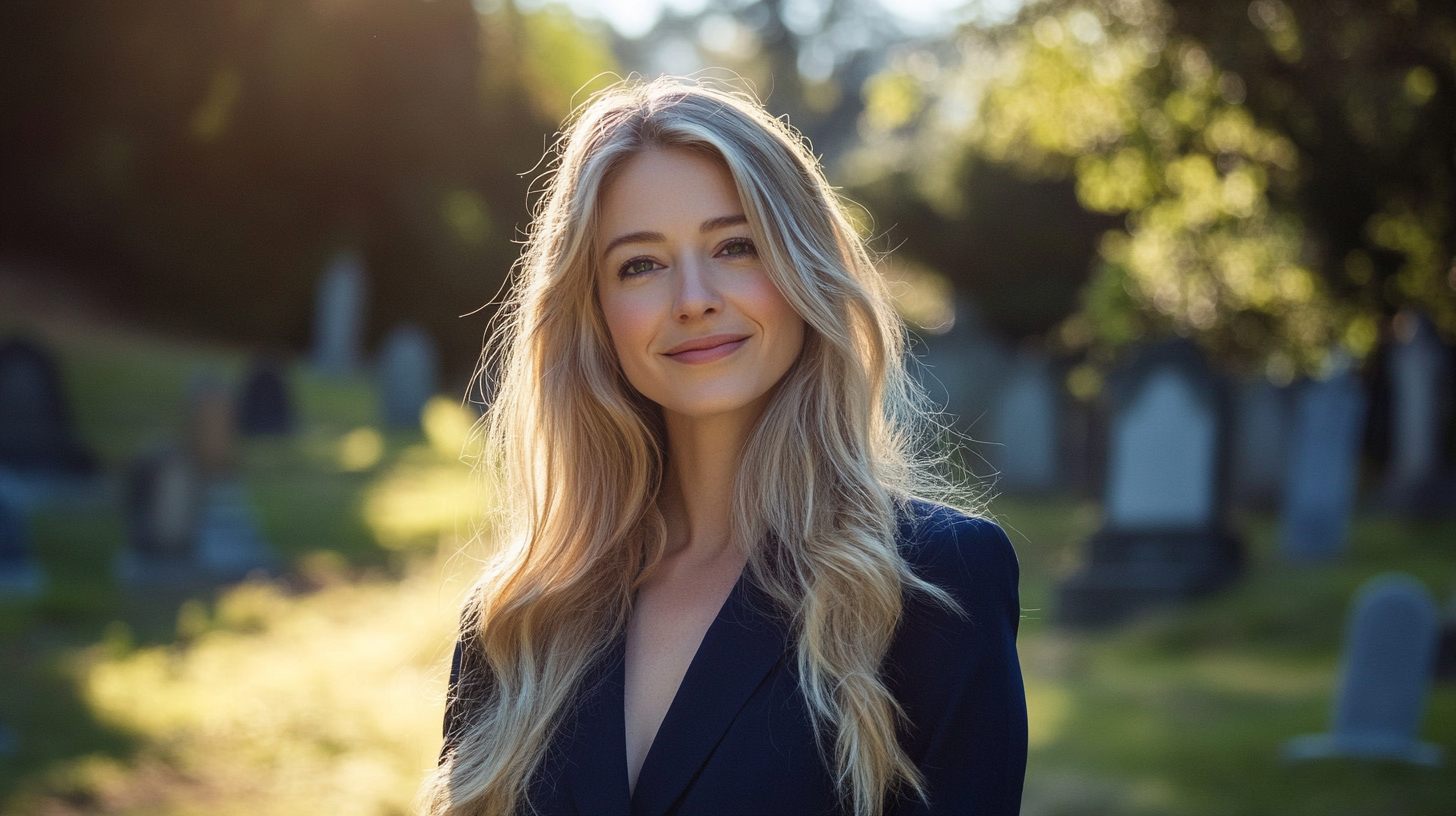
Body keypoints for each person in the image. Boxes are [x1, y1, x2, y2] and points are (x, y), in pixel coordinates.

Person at [422, 77, 1026, 816]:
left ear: (802, 265)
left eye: (736, 246)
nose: (694, 297)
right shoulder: (517, 617)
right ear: (595, 312)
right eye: (640, 264)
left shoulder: (937, 583)